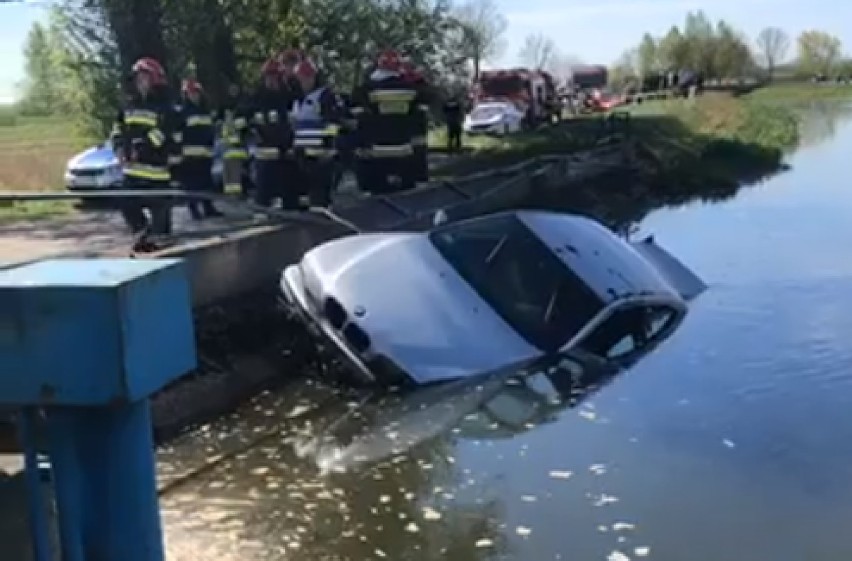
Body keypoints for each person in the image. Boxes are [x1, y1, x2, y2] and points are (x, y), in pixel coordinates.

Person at [113, 57, 179, 236]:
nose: (140, 82)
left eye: (145, 78)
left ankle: (160, 240)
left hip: (156, 172)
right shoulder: (128, 104)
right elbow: (118, 129)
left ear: (155, 80)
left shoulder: (165, 106)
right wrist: (119, 148)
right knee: (126, 205)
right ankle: (143, 235)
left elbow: (162, 133)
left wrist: (140, 149)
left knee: (161, 225)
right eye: (138, 78)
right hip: (132, 172)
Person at [351, 49, 426, 193]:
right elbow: (418, 125)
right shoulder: (411, 90)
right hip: (403, 153)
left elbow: (360, 122)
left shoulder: (365, 90)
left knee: (377, 199)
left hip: (376, 153)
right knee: (404, 196)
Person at [290, 58, 343, 209]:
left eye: (306, 79)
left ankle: (321, 213)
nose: (303, 82)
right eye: (301, 79)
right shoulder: (298, 99)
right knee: (305, 191)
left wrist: (327, 144)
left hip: (321, 154)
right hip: (302, 153)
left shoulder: (324, 96)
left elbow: (334, 123)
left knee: (320, 190)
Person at [250, 57, 296, 209]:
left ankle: (291, 210)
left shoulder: (289, 97)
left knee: (289, 185)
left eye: (275, 77)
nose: (272, 81)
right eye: (269, 77)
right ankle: (262, 211)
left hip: (286, 151)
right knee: (264, 186)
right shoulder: (256, 99)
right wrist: (251, 132)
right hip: (265, 152)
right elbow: (242, 119)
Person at [176, 78, 222, 220]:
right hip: (189, 155)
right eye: (191, 93)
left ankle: (209, 208)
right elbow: (178, 133)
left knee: (206, 183)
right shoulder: (183, 112)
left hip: (205, 153)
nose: (194, 95)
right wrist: (178, 151)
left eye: (196, 93)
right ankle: (194, 210)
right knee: (191, 185)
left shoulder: (204, 111)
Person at [218, 82, 254, 199]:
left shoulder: (240, 112)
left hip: (236, 149)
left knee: (235, 177)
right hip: (227, 149)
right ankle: (232, 196)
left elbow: (243, 130)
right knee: (229, 177)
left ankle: (236, 197)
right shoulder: (227, 111)